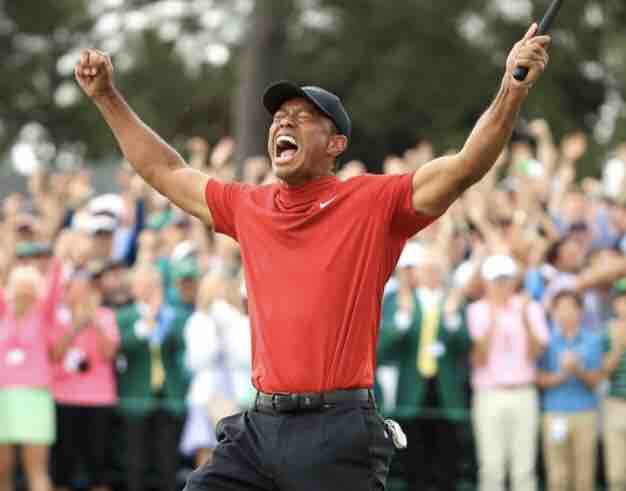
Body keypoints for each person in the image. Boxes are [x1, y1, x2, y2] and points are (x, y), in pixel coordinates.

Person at [74, 23, 550, 490]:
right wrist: (107, 97)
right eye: (279, 116)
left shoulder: (373, 202)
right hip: (258, 428)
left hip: (337, 430)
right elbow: (165, 170)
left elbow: (466, 165)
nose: (284, 121)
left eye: (302, 117)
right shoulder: (249, 206)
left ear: (335, 144)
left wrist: (511, 89)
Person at [378, 246, 471, 491]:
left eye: (436, 269)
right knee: (414, 460)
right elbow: (384, 347)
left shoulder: (453, 301)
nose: (431, 274)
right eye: (426, 269)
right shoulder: (399, 300)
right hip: (412, 391)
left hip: (446, 392)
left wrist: (452, 319)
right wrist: (404, 318)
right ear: (417, 273)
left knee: (447, 459)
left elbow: (465, 346)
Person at [468, 254, 549, 491]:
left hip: (523, 392)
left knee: (524, 468)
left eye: (506, 279)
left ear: (514, 281)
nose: (501, 285)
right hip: (489, 393)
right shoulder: (476, 310)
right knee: (491, 466)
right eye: (496, 280)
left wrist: (525, 320)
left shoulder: (530, 308)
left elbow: (536, 353)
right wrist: (492, 322)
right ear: (486, 282)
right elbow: (478, 358)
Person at [115, 265, 188, 491]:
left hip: (169, 396)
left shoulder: (174, 316)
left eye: (152, 284)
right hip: (136, 397)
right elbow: (123, 347)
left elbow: (181, 346)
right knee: (135, 460)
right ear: (134, 288)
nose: (148, 289)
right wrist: (148, 322)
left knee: (167, 461)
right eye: (143, 285)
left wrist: (163, 318)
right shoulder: (124, 316)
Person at [49, 270, 120, 491]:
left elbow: (109, 353)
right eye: (74, 290)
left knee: (98, 470)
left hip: (98, 399)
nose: (79, 296)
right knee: (62, 470)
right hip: (64, 398)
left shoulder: (105, 316)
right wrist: (75, 327)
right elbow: (54, 354)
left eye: (84, 290)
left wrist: (94, 324)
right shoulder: (57, 317)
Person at [0, 258, 63, 491]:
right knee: (2, 469)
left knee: (36, 469)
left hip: (35, 397)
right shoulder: (2, 313)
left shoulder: (44, 315)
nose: (23, 295)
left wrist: (59, 260)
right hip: (3, 396)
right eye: (19, 289)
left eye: (29, 290)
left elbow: (54, 287)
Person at [536, 290, 604, 491]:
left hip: (585, 413)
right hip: (555, 413)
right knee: (557, 477)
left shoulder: (592, 341)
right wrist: (562, 376)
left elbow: (595, 382)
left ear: (580, 311)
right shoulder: (546, 341)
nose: (565, 313)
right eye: (560, 308)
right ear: (554, 312)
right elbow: (538, 378)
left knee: (584, 476)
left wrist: (577, 369)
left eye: (570, 307)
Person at [602, 280, 626, 491]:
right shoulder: (607, 331)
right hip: (616, 403)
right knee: (617, 475)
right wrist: (618, 346)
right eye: (622, 299)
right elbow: (602, 373)